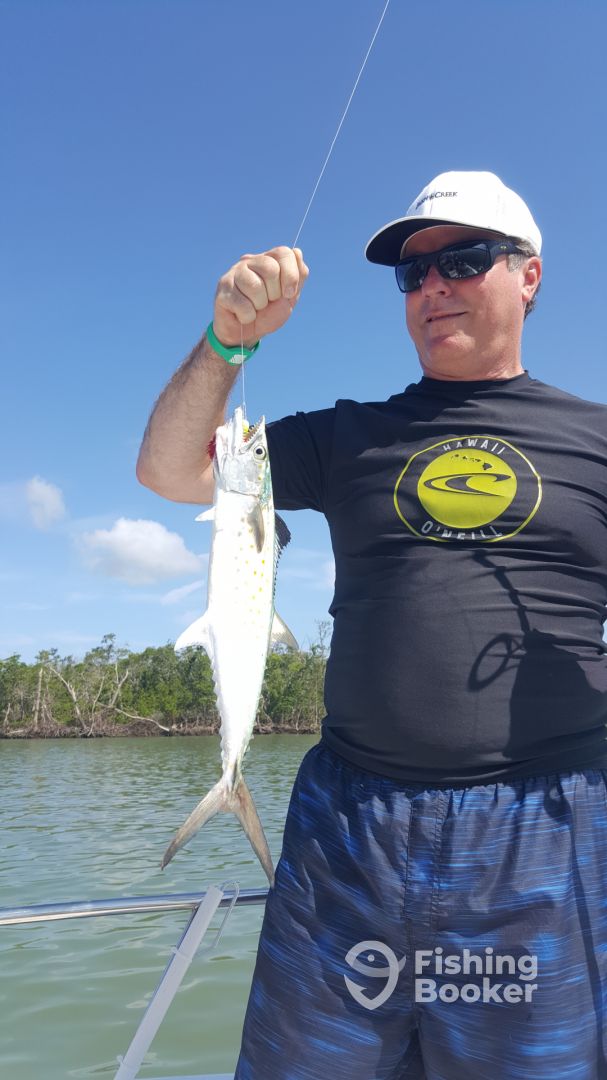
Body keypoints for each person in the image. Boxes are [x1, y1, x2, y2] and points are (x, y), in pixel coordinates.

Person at [137, 171, 607, 1079]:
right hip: (347, 840)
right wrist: (226, 344)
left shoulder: (594, 439)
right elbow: (168, 471)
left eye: (463, 260)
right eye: (411, 271)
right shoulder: (348, 435)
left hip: (540, 838)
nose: (432, 286)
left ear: (529, 276)